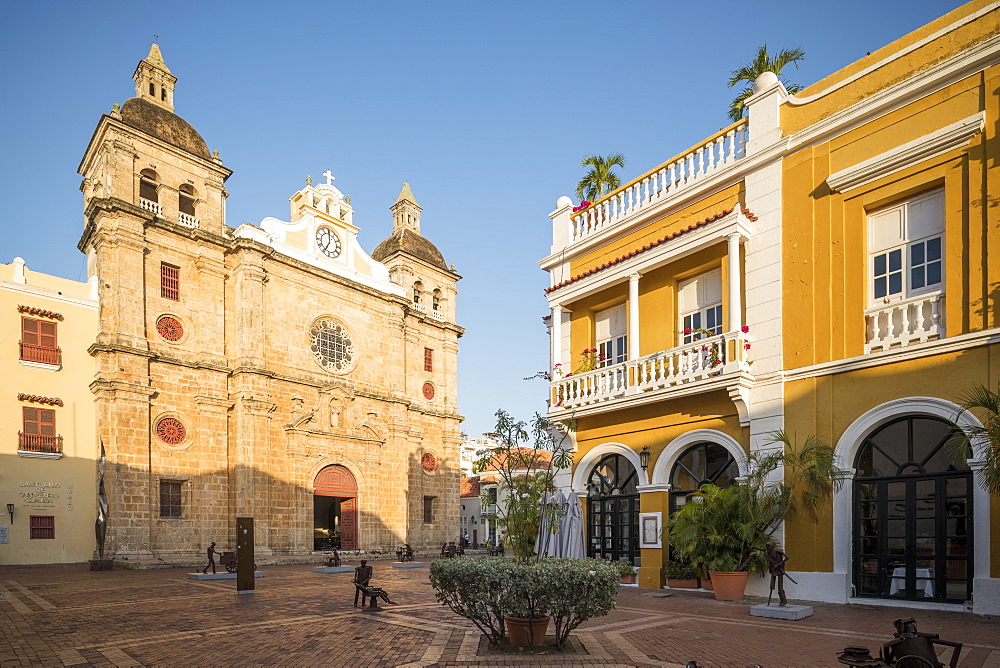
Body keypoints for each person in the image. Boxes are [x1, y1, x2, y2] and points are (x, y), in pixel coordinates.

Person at [753, 540, 793, 606]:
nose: (768, 547)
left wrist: (778, 564)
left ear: (772, 546)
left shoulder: (778, 552)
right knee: (772, 585)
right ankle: (773, 601)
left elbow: (787, 558)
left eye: (769, 546)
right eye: (767, 546)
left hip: (779, 570)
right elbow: (760, 549)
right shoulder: (767, 552)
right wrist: (752, 547)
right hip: (773, 570)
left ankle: (783, 600)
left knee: (780, 587)